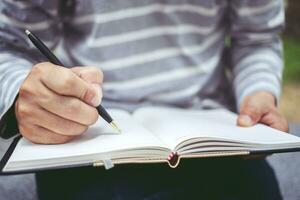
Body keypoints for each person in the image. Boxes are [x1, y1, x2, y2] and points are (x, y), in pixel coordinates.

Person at [0, 0, 288, 199]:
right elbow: (9, 45)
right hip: (85, 138)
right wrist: (24, 94)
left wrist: (258, 92)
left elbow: (257, 38)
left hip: (215, 141)